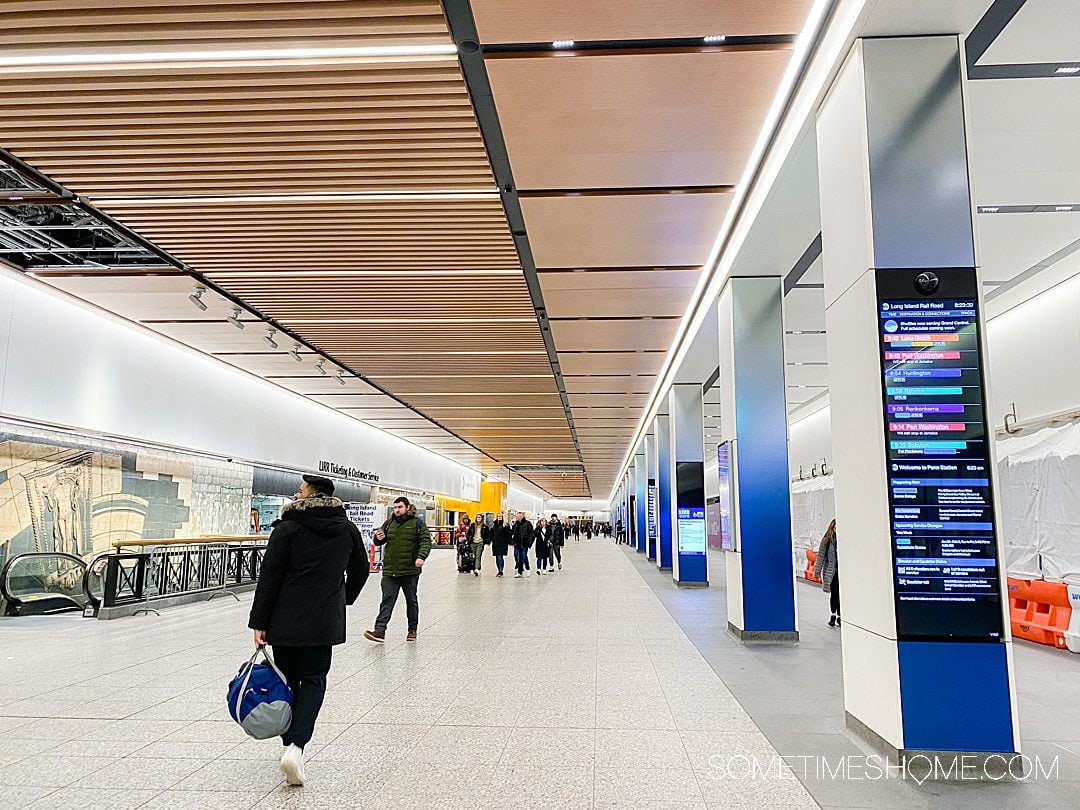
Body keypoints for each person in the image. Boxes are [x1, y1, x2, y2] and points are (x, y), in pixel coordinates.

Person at [248, 475, 369, 787]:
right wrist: (344, 597)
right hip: (324, 617)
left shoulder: (287, 528)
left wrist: (259, 621)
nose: (296, 493)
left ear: (310, 495)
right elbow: (361, 568)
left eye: (300, 490)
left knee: (288, 681)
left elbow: (270, 577)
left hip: (284, 618)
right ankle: (297, 746)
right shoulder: (346, 529)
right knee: (314, 680)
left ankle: (290, 742)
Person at [364, 496, 431, 643]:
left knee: (411, 600)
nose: (397, 510)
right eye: (395, 507)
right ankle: (379, 630)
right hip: (390, 569)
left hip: (410, 570)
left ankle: (412, 629)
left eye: (400, 507)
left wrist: (421, 557)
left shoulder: (417, 523)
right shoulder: (389, 523)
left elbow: (426, 541)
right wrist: (378, 538)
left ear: (407, 507)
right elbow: (379, 540)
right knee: (387, 600)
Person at [814, 519, 840, 627]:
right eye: (835, 528)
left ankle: (840, 616)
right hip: (831, 571)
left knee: (841, 594)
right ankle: (833, 616)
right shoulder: (827, 540)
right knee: (834, 594)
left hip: (842, 573)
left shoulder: (845, 540)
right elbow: (820, 556)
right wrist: (817, 572)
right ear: (832, 528)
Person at [511, 511, 533, 578]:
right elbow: (512, 533)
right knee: (518, 558)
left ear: (522, 516)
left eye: (519, 516)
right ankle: (520, 571)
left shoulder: (527, 523)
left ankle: (527, 567)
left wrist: (529, 541)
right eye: (517, 516)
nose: (518, 517)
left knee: (524, 556)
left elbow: (532, 533)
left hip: (524, 543)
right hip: (517, 544)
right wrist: (512, 542)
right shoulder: (516, 524)